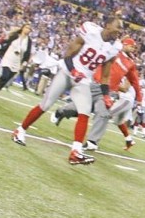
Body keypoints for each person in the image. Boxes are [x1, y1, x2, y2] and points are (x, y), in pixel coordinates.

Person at [12, 16, 123, 164]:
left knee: (84, 112)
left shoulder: (114, 47)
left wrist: (106, 95)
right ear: (108, 25)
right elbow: (68, 54)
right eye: (116, 29)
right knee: (46, 104)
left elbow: (105, 74)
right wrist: (73, 71)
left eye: (120, 30)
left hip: (83, 80)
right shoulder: (90, 32)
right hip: (67, 72)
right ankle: (20, 130)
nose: (118, 33)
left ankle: (75, 152)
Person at [51, 36, 141, 151]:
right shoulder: (113, 51)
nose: (133, 47)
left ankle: (92, 141)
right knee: (81, 108)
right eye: (130, 45)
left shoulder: (131, 64)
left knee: (103, 113)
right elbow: (110, 41)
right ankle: (61, 112)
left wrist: (139, 98)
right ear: (123, 44)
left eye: (134, 46)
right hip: (95, 84)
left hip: (108, 91)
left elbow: (135, 81)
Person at [0, 23, 32, 100]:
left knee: (6, 80)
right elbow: (4, 42)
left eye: (29, 29)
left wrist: (24, 63)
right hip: (9, 57)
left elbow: (27, 53)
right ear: (23, 28)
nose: (28, 30)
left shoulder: (29, 41)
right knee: (5, 76)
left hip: (17, 61)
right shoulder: (15, 35)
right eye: (27, 27)